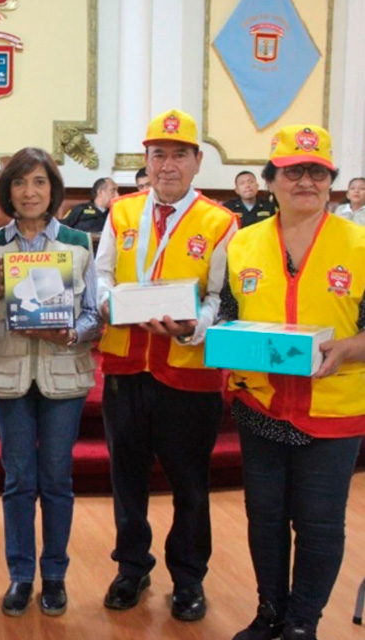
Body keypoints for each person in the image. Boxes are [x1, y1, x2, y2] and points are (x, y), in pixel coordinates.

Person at [222, 125, 365, 640]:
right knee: (265, 517)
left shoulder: (361, 242)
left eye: (317, 171)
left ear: (331, 180)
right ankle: (269, 613)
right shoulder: (244, 244)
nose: (305, 180)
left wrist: (347, 348)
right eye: (293, 170)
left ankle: (302, 624)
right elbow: (228, 315)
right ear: (271, 181)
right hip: (260, 406)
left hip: (334, 408)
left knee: (320, 524)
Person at [95, 109, 237, 621]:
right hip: (126, 366)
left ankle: (188, 577)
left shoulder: (221, 222)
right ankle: (131, 566)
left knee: (190, 484)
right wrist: (106, 301)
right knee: (126, 476)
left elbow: (222, 298)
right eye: (159, 155)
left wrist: (192, 326)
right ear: (146, 161)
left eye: (180, 155)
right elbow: (102, 273)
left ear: (198, 162)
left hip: (187, 372)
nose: (168, 165)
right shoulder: (122, 212)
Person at [0, 148, 101, 617]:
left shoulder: (78, 243)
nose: (30, 193)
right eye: (20, 183)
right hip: (9, 374)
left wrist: (73, 332)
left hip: (63, 374)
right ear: (7, 191)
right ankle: (20, 575)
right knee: (18, 480)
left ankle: (55, 575)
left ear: (54, 190)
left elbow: (94, 316)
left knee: (57, 480)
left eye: (40, 183)